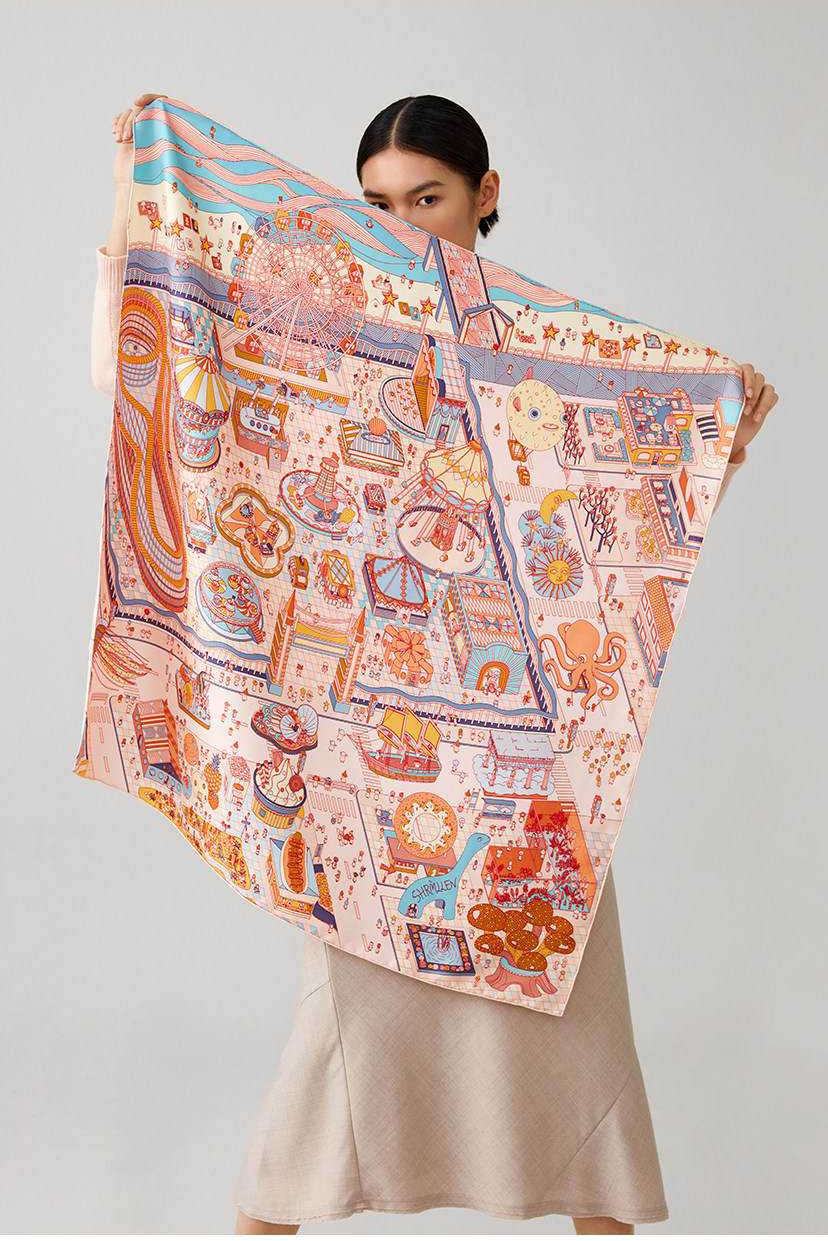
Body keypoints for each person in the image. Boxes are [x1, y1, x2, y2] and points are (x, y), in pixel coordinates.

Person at [94, 94, 776, 1237]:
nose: (403, 226)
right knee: (330, 1064)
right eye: (378, 205)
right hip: (375, 761)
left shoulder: (546, 348)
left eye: (428, 199)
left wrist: (719, 424)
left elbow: (623, 499)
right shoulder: (324, 327)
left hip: (529, 767)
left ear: (484, 195)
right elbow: (182, 335)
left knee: (580, 1059)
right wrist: (141, 184)